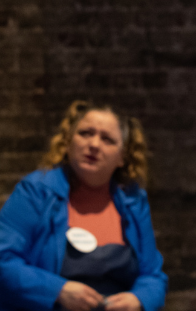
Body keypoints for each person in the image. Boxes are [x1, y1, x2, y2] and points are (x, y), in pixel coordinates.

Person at [0, 101, 168, 311]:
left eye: (107, 139)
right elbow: (4, 260)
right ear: (68, 142)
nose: (94, 144)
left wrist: (139, 300)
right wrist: (57, 291)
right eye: (85, 133)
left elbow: (153, 275)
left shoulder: (133, 200)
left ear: (122, 157)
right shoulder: (36, 191)